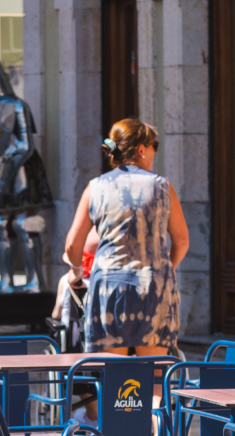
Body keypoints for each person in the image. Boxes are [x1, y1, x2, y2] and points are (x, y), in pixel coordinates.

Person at [64, 118, 190, 355]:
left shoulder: (95, 187)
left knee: (114, 379)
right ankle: (152, 394)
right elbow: (182, 240)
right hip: (153, 287)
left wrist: (77, 271)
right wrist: (166, 268)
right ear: (141, 150)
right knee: (154, 377)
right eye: (154, 146)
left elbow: (73, 243)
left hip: (109, 287)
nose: (154, 152)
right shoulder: (163, 186)